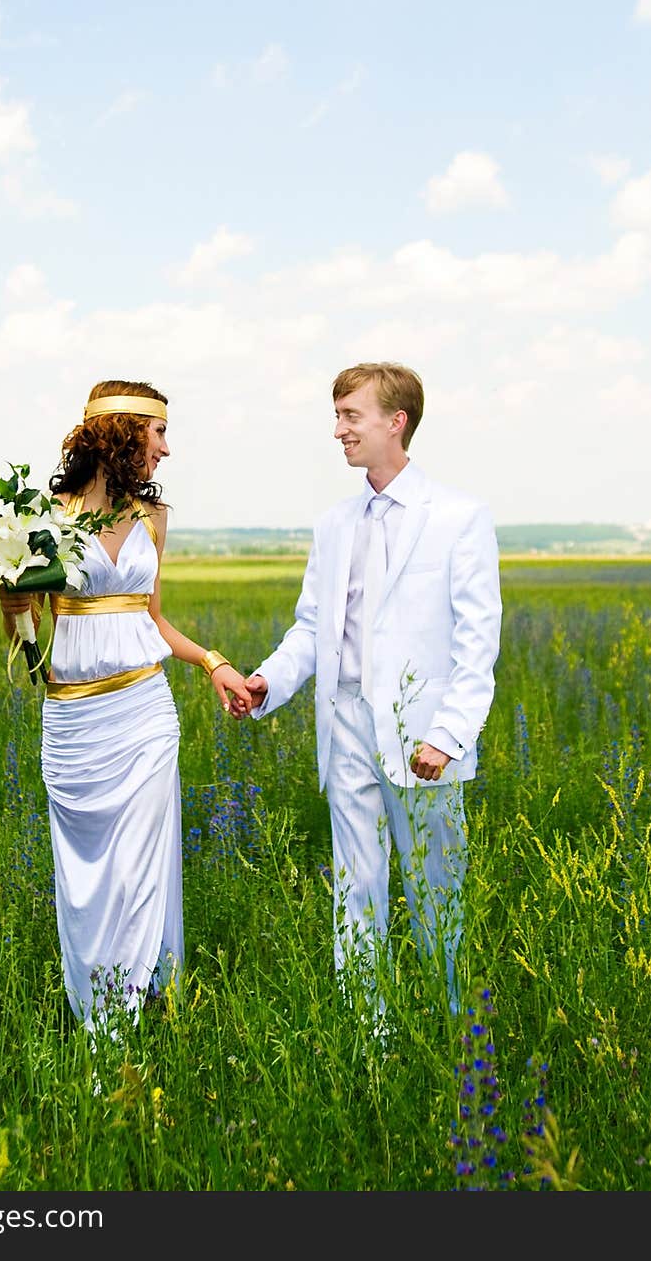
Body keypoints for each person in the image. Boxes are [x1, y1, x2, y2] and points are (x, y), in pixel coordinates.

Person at [230, 362, 502, 1025]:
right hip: (342, 721)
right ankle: (368, 1034)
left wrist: (448, 734)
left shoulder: (460, 518)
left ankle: (448, 1025)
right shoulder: (333, 525)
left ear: (395, 421)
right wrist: (270, 680)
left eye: (351, 416)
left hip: (422, 736)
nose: (339, 430)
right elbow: (311, 628)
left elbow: (478, 642)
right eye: (338, 415)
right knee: (355, 887)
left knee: (437, 887)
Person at [0, 379, 252, 1036]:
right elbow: (29, 644)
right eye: (158, 433)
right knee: (87, 880)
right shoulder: (43, 516)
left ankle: (134, 1016)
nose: (167, 449)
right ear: (121, 433)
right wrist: (15, 615)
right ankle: (96, 1012)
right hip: (74, 719)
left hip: (144, 711)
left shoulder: (153, 518)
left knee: (142, 869)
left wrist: (212, 661)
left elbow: (154, 619)